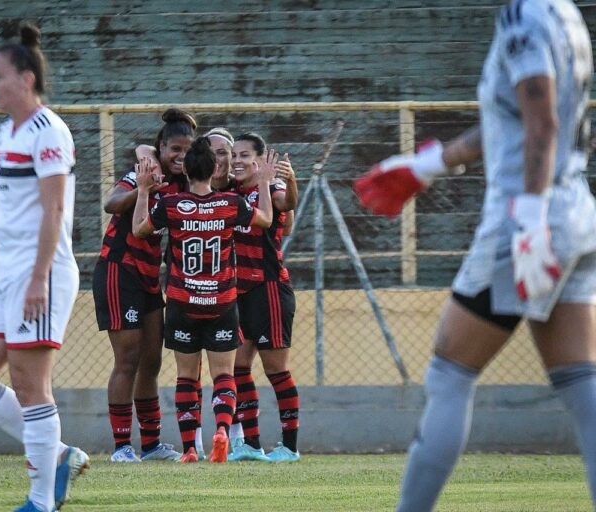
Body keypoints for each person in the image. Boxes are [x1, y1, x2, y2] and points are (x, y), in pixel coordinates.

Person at [354, 1, 596, 509]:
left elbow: (543, 122)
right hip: (574, 213)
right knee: (580, 382)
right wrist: (429, 163)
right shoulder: (564, 14)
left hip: (526, 220)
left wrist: (529, 220)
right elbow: (512, 121)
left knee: (450, 371)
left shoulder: (521, 15)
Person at [0, 23, 87, 512]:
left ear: (26, 78)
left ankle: (41, 500)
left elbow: (54, 211)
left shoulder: (50, 131)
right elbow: (0, 207)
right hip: (3, 277)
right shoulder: (4, 132)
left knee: (31, 386)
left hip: (40, 276)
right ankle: (60, 455)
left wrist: (38, 278)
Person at [132, 136, 277, 463]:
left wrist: (143, 190)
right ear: (213, 170)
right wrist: (265, 183)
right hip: (222, 302)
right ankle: (223, 430)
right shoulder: (229, 203)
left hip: (183, 303)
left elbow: (140, 229)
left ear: (188, 169)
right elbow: (266, 219)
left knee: (186, 376)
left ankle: (189, 449)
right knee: (224, 376)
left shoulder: (171, 206)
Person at [92, 109, 196, 463]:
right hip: (119, 272)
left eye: (187, 150)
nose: (181, 157)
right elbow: (111, 203)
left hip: (151, 277)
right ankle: (122, 446)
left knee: (152, 361)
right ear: (162, 148)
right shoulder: (144, 174)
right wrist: (142, 186)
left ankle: (151, 445)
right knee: (128, 358)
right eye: (175, 150)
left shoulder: (183, 183)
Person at [229, 133, 301, 463]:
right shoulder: (229, 193)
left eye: (244, 155)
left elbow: (287, 203)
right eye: (233, 155)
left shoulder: (272, 189)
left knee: (276, 370)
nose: (237, 161)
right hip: (239, 293)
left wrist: (290, 179)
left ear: (260, 160)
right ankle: (252, 445)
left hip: (270, 289)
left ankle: (289, 446)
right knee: (239, 367)